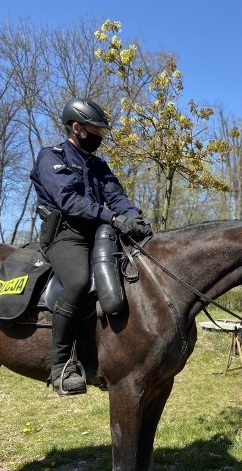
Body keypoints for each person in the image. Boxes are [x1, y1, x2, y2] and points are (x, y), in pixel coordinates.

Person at [30, 98, 152, 395]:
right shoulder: (51, 157)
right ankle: (60, 365)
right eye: (95, 129)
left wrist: (134, 218)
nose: (100, 135)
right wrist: (112, 217)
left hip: (101, 234)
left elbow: (116, 196)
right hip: (66, 236)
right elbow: (68, 200)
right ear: (76, 128)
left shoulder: (99, 166)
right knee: (78, 281)